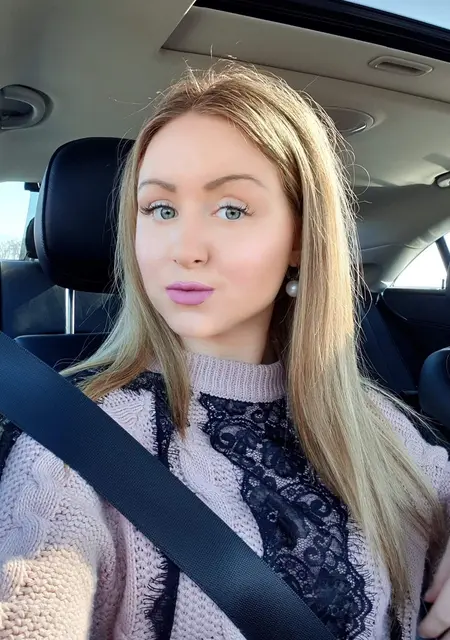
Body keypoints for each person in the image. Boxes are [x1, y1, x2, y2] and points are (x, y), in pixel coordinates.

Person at [0, 62, 449, 640]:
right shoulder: (67, 451)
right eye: (160, 209)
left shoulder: (381, 427)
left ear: (300, 237)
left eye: (231, 209)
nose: (185, 249)